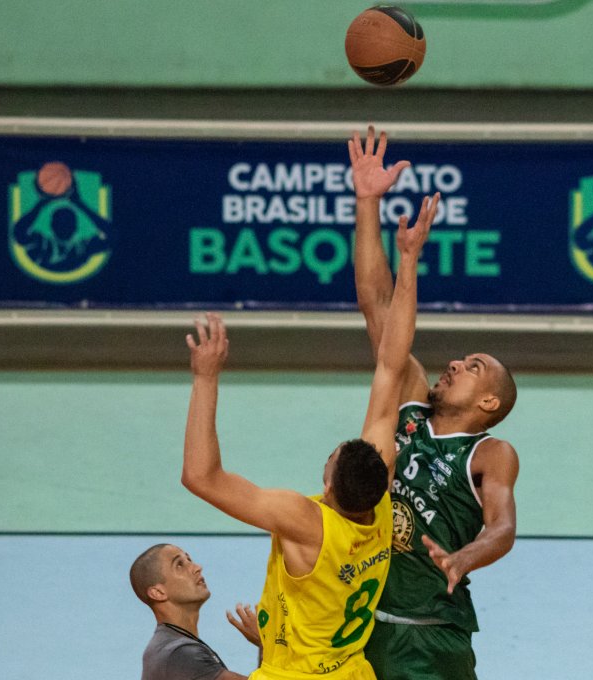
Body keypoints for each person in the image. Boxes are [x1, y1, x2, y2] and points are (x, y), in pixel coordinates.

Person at [180, 193, 438, 680]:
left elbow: (201, 476)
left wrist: (205, 378)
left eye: (330, 458)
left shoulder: (307, 521)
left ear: (330, 484)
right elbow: (391, 361)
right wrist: (409, 261)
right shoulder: (379, 503)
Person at [348, 126, 520, 680]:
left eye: (474, 367)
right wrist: (367, 202)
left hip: (431, 635)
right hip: (361, 622)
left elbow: (503, 527)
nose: (455, 365)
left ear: (490, 400)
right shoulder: (410, 404)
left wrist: (464, 557)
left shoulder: (490, 452)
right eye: (460, 359)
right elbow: (377, 304)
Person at [129, 542, 260, 680]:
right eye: (179, 565)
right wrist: (268, 645)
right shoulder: (179, 654)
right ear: (158, 592)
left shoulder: (169, 648)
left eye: (189, 560)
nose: (197, 568)